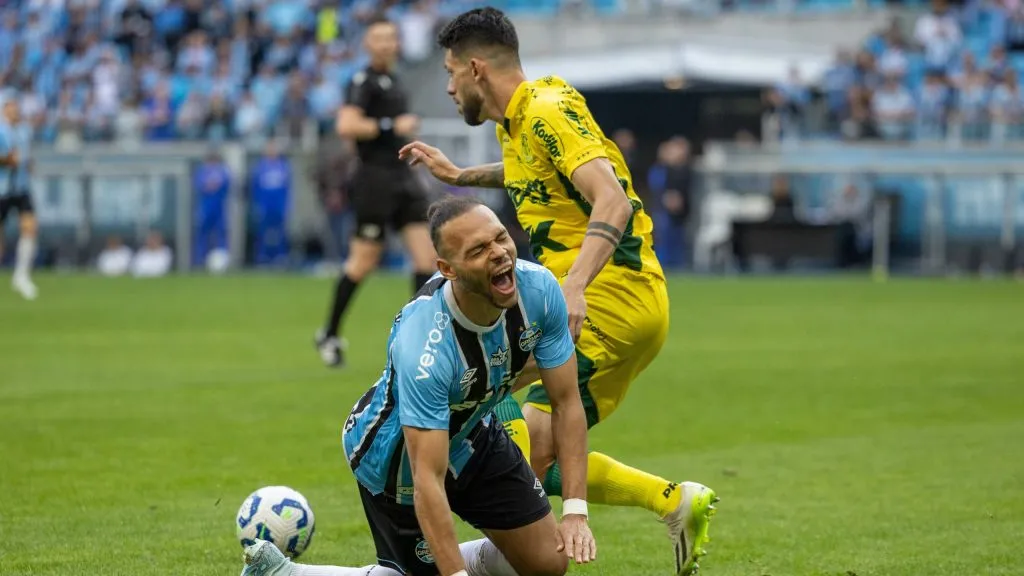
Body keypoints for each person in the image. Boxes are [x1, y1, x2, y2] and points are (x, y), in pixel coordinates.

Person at [398, 8, 717, 575]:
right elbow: (532, 170)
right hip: (617, 301)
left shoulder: (545, 110)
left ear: (476, 68)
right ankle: (670, 501)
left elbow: (612, 199)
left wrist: (574, 285)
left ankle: (446, 556)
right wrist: (462, 176)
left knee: (492, 428)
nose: (448, 87)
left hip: (606, 300)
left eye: (451, 73)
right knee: (529, 452)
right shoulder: (525, 116)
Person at [242, 196, 595, 576]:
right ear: (448, 269)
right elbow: (426, 478)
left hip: (473, 433)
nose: (499, 253)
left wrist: (575, 511)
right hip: (396, 461)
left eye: (500, 238)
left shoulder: (539, 290)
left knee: (548, 562)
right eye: (478, 250)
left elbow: (566, 401)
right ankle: (285, 573)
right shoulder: (424, 346)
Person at [315, 14, 438, 368]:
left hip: (402, 178)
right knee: (363, 261)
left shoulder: (394, 81)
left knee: (427, 260)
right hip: (375, 180)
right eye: (379, 38)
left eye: (391, 38)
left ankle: (418, 340)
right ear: (368, 45)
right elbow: (346, 125)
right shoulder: (363, 81)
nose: (386, 44)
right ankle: (329, 332)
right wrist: (390, 126)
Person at [0, 98, 39, 300]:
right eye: (11, 108)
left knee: (30, 227)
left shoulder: (25, 131)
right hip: (2, 189)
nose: (15, 111)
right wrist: (7, 160)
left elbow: (26, 156)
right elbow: (7, 158)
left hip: (21, 187)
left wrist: (29, 165)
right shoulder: (1, 131)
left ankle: (21, 275)